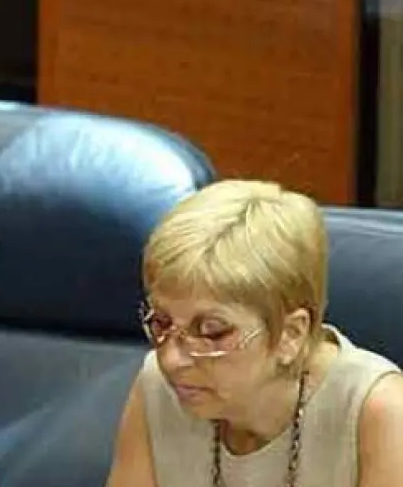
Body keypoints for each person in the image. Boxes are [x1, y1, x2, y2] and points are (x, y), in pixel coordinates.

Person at [105, 179, 403, 487]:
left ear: (290, 334)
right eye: (162, 322)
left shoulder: (379, 412)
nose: (171, 360)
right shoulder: (158, 388)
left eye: (212, 333)